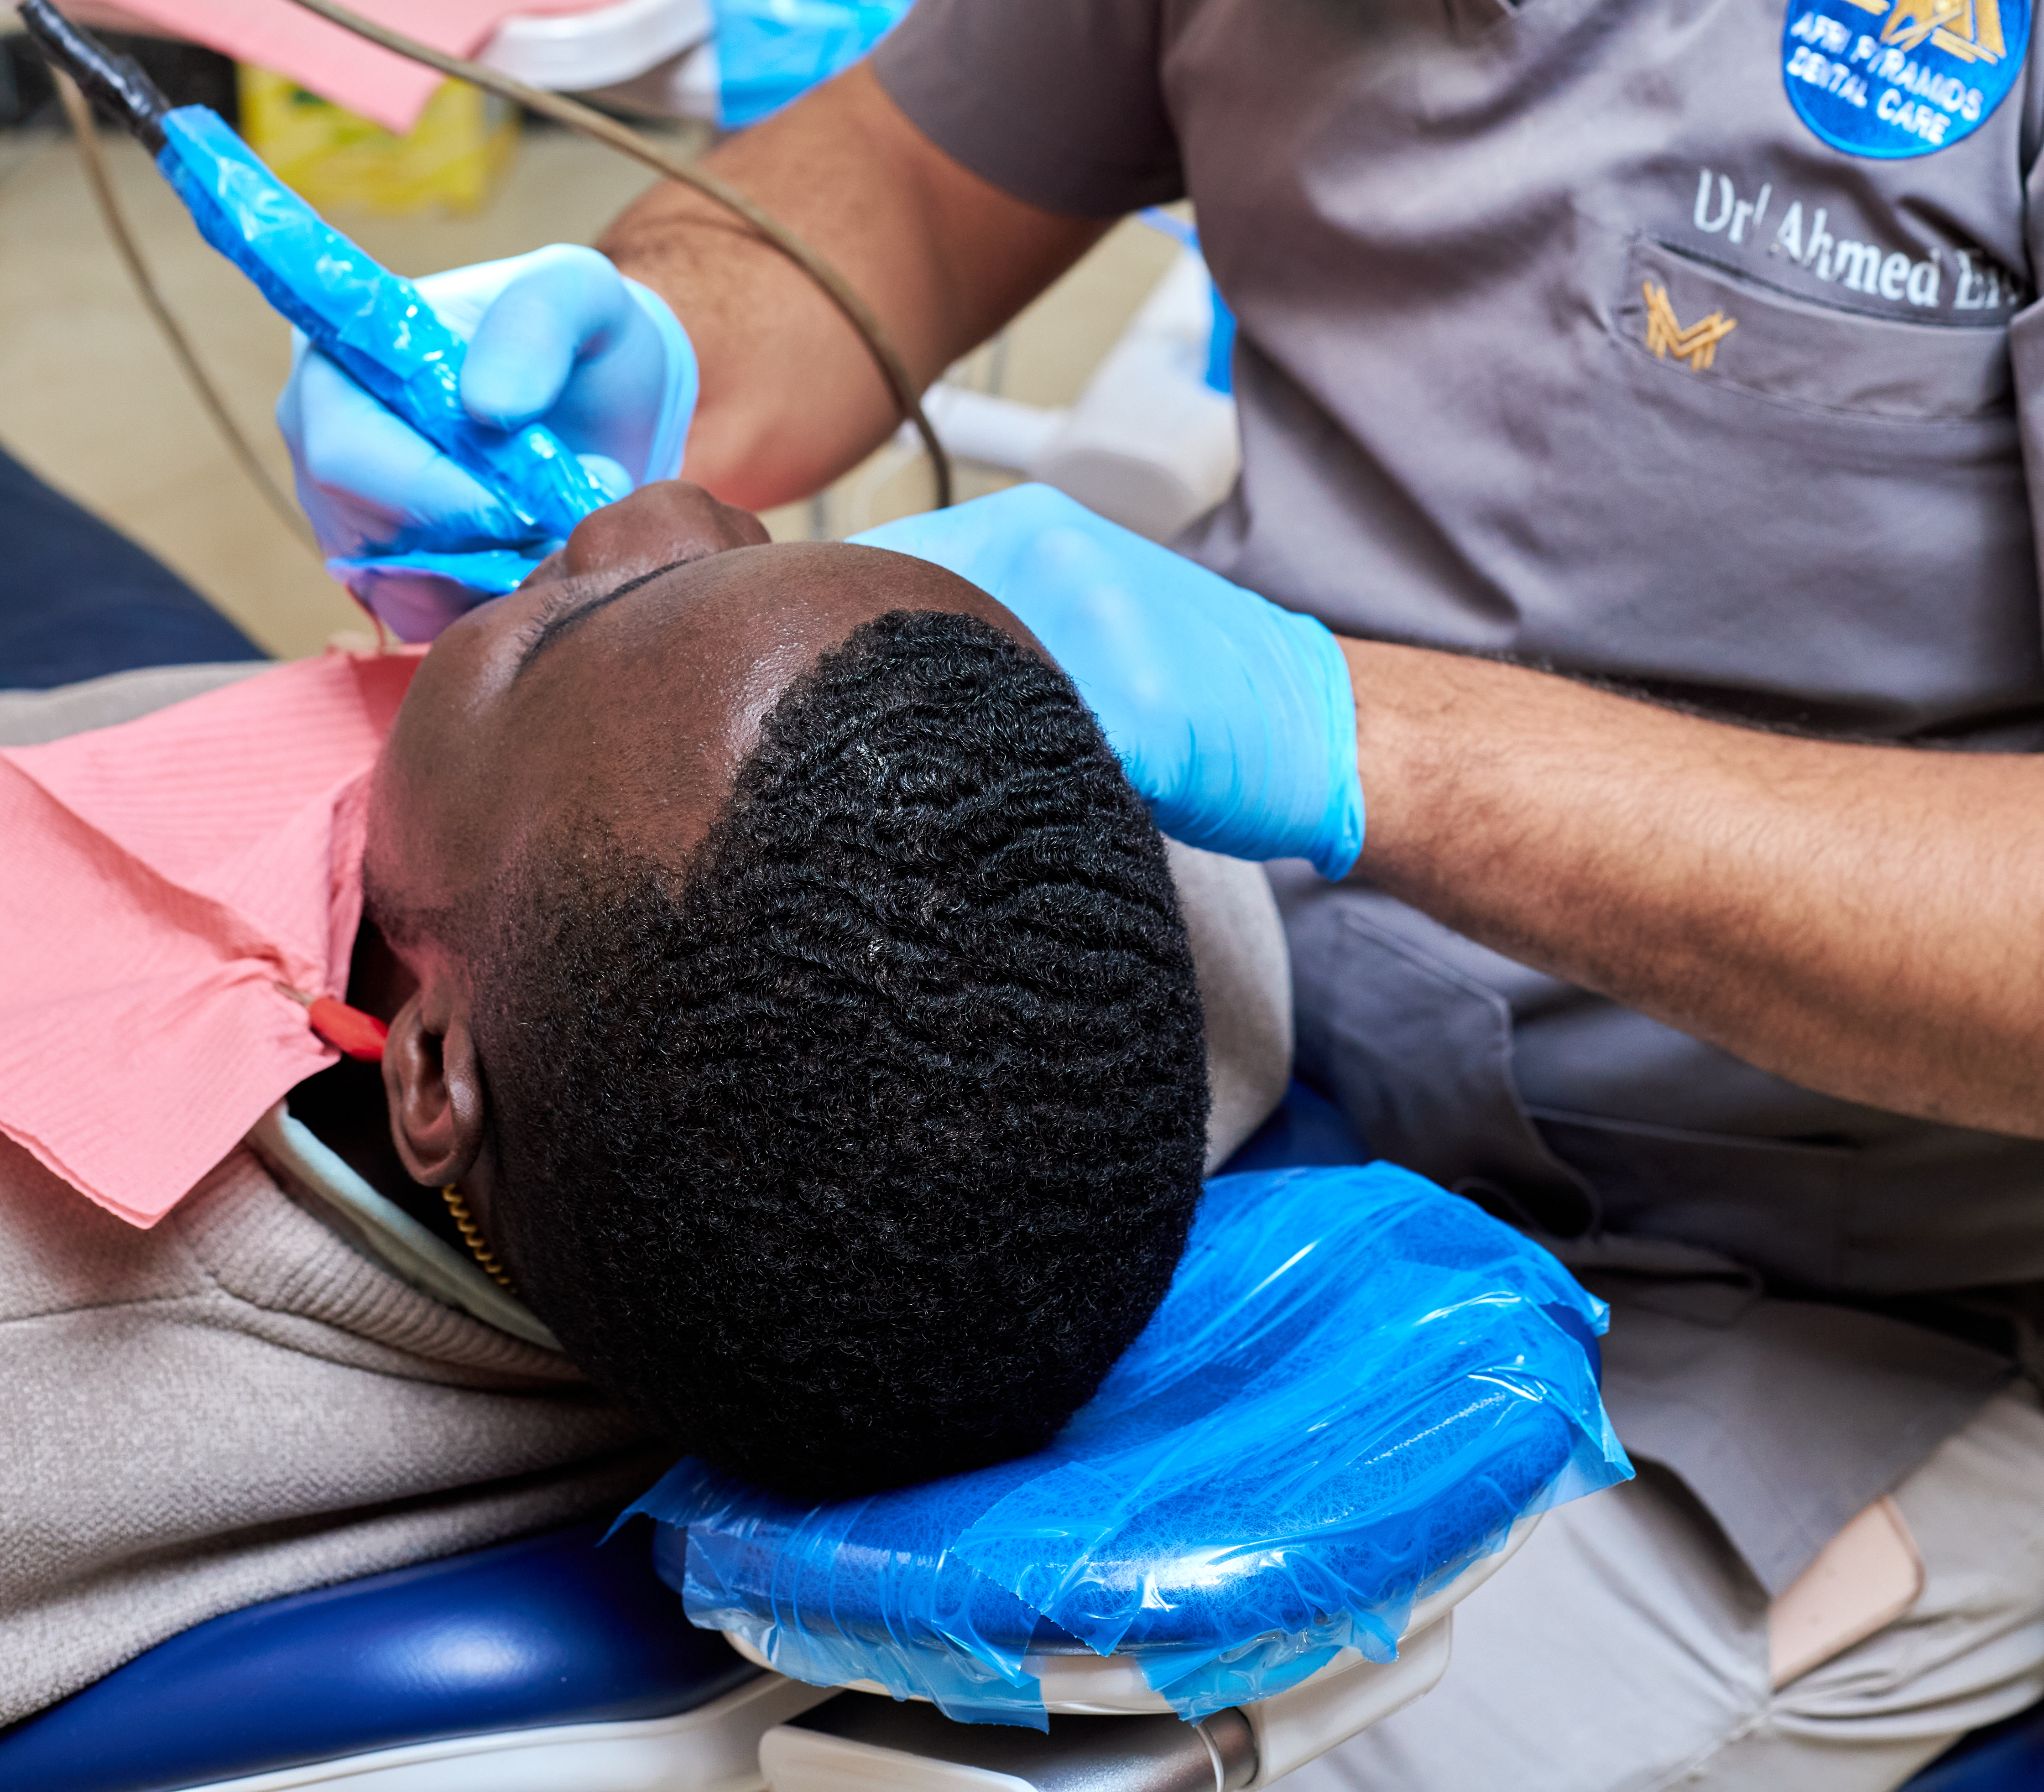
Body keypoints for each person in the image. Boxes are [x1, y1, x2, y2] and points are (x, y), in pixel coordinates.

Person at [282, 0, 2044, 1785]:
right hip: (1235, 1094)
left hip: (1854, 1301)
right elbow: (868, 195)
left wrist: (1358, 740)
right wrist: (604, 342)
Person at [2, 467, 1281, 1727]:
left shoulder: (50, 1354)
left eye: (565, 634)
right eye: (755, 554)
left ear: (433, 1075)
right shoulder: (1165, 981)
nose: (653, 506)